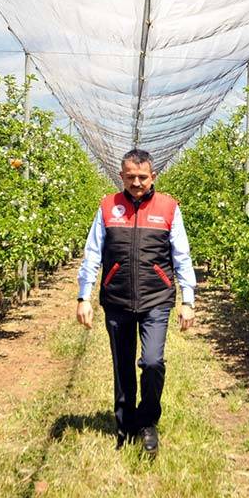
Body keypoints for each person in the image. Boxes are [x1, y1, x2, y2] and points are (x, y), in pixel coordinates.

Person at [76, 148, 197, 454]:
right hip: (117, 298)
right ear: (122, 176)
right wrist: (83, 296)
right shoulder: (108, 207)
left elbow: (182, 255)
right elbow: (93, 253)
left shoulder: (168, 208)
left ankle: (148, 420)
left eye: (143, 177)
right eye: (130, 177)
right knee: (123, 366)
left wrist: (188, 300)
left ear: (153, 176)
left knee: (152, 362)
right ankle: (126, 426)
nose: (137, 183)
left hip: (156, 297)